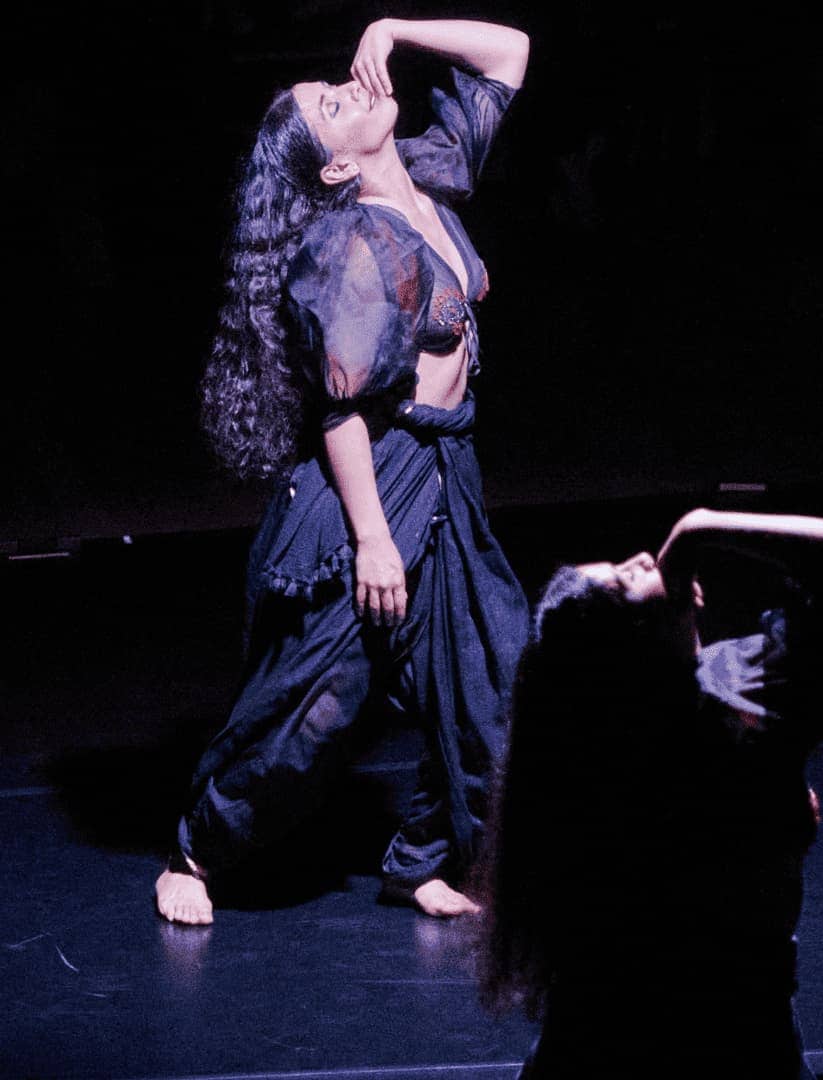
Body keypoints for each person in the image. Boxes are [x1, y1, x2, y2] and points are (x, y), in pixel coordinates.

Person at [155, 18, 531, 926]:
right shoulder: (353, 243)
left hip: (448, 470)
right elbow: (345, 411)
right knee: (316, 706)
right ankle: (198, 852)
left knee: (489, 670)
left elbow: (509, 52)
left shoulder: (428, 174)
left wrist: (392, 25)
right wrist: (372, 541)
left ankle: (424, 859)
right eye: (331, 105)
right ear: (330, 169)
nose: (350, 86)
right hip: (377, 484)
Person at [478, 509, 823, 1077]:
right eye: (624, 579)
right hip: (729, 1047)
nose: (642, 558)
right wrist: (699, 527)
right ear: (626, 651)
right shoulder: (739, 704)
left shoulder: (590, 760)